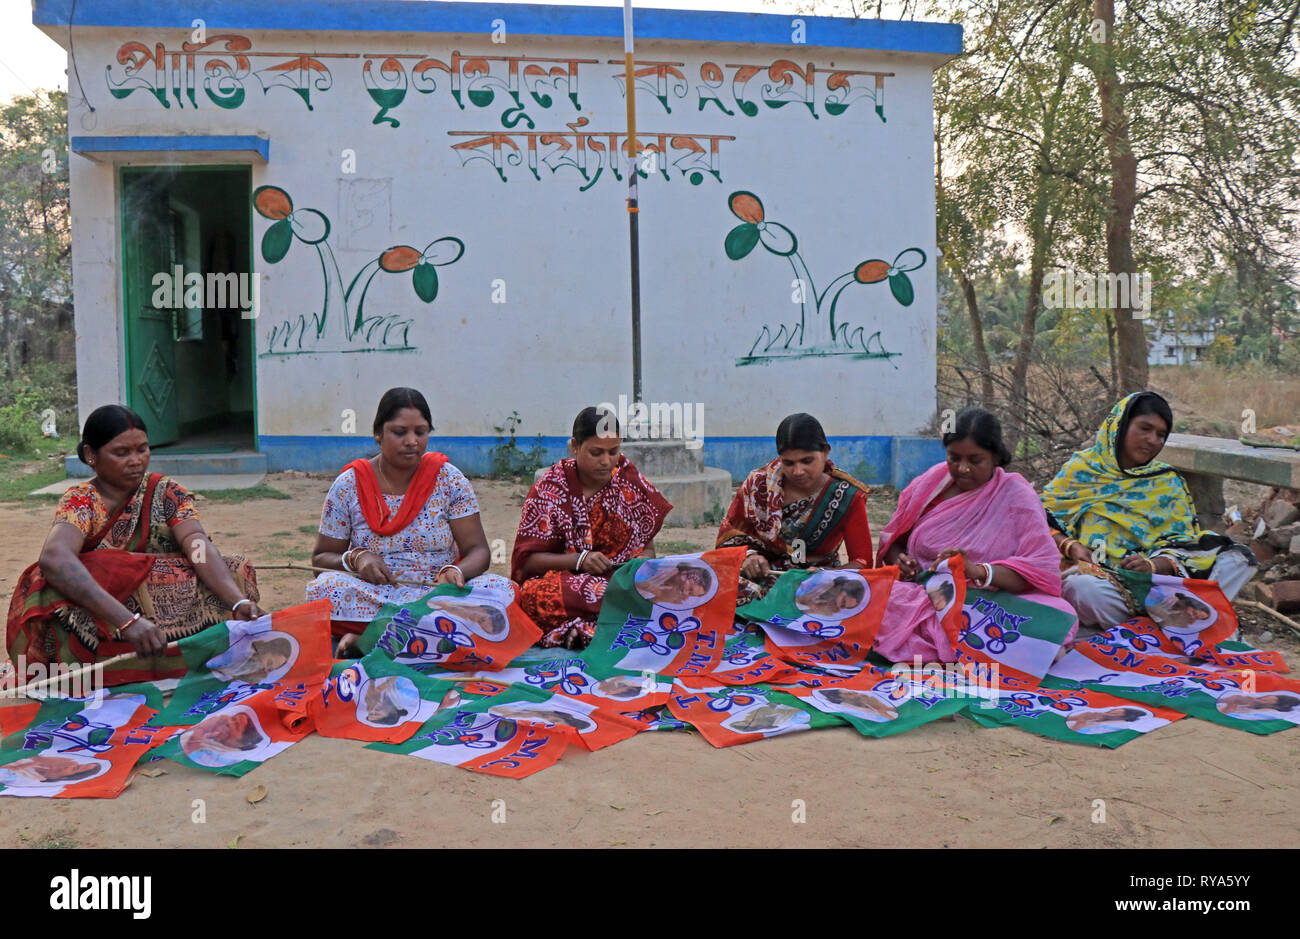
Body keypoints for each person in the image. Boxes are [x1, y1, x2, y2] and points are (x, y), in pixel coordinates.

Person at [6, 406, 263, 687]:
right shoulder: (82, 500)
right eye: (121, 453)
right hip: (107, 609)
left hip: (159, 601)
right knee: (67, 580)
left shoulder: (166, 493)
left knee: (233, 568)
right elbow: (55, 558)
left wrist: (237, 601)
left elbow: (196, 545)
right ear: (91, 455)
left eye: (142, 450)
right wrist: (127, 621)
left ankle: (196, 659)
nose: (136, 461)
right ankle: (93, 675)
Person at [308, 388, 515, 649]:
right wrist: (357, 558)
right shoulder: (349, 484)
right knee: (325, 588)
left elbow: (478, 550)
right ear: (378, 433)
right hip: (374, 593)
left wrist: (456, 570)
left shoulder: (448, 479)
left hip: (438, 593)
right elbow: (320, 560)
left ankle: (374, 640)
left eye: (420, 432)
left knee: (502, 591)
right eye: (399, 432)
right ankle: (433, 640)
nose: (411, 441)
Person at [1042, 392, 1258, 630]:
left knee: (1237, 560)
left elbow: (1183, 542)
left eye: (1161, 435)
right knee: (1082, 590)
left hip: (1161, 586)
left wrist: (1154, 565)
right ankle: (1175, 629)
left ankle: (1170, 626)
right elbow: (1038, 520)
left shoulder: (1166, 480)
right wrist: (1069, 545)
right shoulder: (1082, 470)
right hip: (1104, 582)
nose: (1153, 440)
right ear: (1120, 426)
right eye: (1145, 428)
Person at [875, 408, 1073, 663]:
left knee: (1057, 614)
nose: (963, 469)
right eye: (954, 458)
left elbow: (1036, 573)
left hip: (988, 601)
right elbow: (896, 542)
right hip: (922, 594)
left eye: (975, 460)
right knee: (863, 595)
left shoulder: (1016, 495)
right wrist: (902, 563)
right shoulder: (931, 484)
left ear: (995, 457)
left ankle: (948, 645)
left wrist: (977, 571)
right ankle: (1006, 651)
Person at [511, 407, 672, 649]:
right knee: (535, 598)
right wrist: (580, 561)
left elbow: (647, 549)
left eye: (613, 452)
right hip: (566, 585)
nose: (606, 461)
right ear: (575, 446)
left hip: (619, 583)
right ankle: (607, 625)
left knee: (672, 586)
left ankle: (587, 629)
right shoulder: (549, 488)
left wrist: (635, 569)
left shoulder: (630, 482)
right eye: (596, 452)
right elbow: (528, 561)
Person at [717, 413, 872, 601]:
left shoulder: (846, 497)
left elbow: (862, 563)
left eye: (807, 461)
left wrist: (827, 575)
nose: (797, 472)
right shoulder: (759, 484)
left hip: (816, 584)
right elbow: (729, 537)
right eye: (788, 463)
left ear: (825, 453)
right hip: (760, 577)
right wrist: (749, 557)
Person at [207, 636, 293, 684]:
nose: (266, 669)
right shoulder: (239, 648)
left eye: (270, 669)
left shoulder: (252, 670)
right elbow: (210, 664)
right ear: (266, 649)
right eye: (269, 663)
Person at [635, 560, 714, 607]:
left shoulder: (663, 591)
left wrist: (659, 596)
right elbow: (629, 582)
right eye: (690, 589)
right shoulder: (662, 566)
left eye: (690, 593)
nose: (685, 594)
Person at [796, 574, 867, 618]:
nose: (838, 605)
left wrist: (815, 610)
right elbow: (792, 595)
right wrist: (809, 604)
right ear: (840, 589)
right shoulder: (822, 580)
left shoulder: (825, 602)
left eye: (843, 606)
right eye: (843, 600)